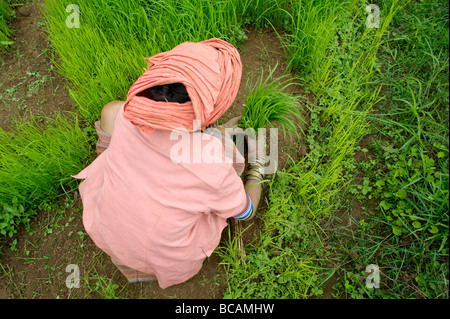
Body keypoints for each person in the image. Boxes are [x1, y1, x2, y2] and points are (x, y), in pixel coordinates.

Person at [73, 38, 264, 289]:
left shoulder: (124, 114)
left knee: (111, 113)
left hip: (104, 230)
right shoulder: (211, 165)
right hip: (164, 261)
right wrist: (258, 165)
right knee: (227, 173)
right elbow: (247, 212)